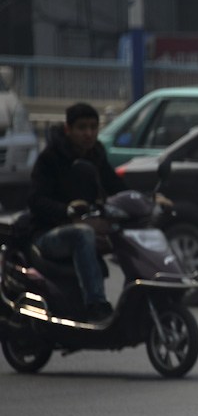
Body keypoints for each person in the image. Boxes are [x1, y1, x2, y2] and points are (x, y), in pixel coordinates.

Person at [28, 102, 127, 321]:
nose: (88, 134)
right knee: (82, 233)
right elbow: (35, 200)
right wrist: (67, 209)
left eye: (93, 127)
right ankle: (96, 305)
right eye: (82, 128)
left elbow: (117, 188)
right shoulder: (50, 158)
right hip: (47, 234)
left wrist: (148, 199)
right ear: (68, 129)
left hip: (84, 228)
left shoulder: (96, 155)